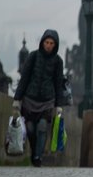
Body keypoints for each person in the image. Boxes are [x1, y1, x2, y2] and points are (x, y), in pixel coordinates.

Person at [12, 30, 66, 167]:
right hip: (30, 99)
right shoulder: (33, 56)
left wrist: (59, 105)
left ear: (55, 45)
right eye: (47, 42)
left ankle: (38, 156)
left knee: (42, 127)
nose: (48, 45)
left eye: (51, 43)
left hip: (47, 101)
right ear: (42, 42)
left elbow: (58, 83)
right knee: (30, 129)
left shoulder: (58, 61)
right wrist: (17, 99)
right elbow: (24, 79)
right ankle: (34, 151)